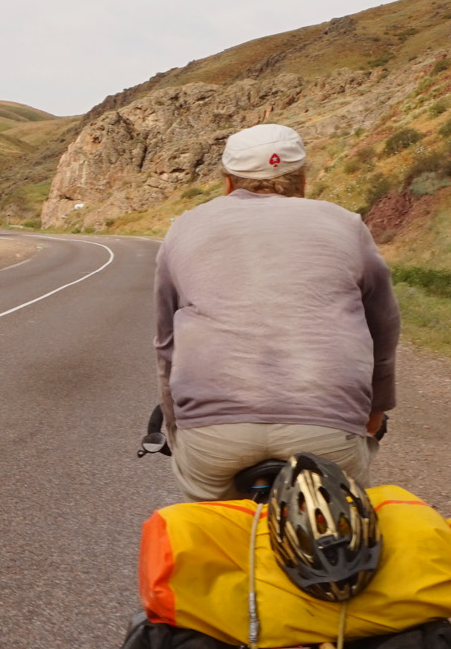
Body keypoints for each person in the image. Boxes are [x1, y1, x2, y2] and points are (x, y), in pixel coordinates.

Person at [154, 122, 399, 502]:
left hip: (214, 434)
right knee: (337, 535)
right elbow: (382, 326)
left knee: (213, 531)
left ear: (228, 183)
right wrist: (376, 410)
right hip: (324, 428)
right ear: (301, 181)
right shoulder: (346, 225)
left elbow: (165, 342)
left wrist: (176, 425)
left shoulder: (185, 227)